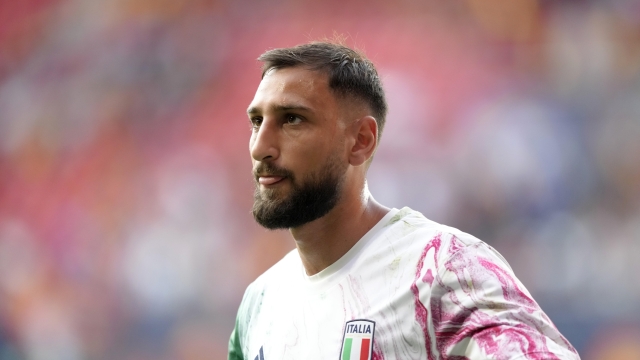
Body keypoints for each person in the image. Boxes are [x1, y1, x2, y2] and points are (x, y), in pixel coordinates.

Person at [228, 41, 580, 360]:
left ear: (361, 141)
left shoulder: (442, 269)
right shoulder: (260, 303)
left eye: (292, 120)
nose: (260, 147)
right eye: (257, 122)